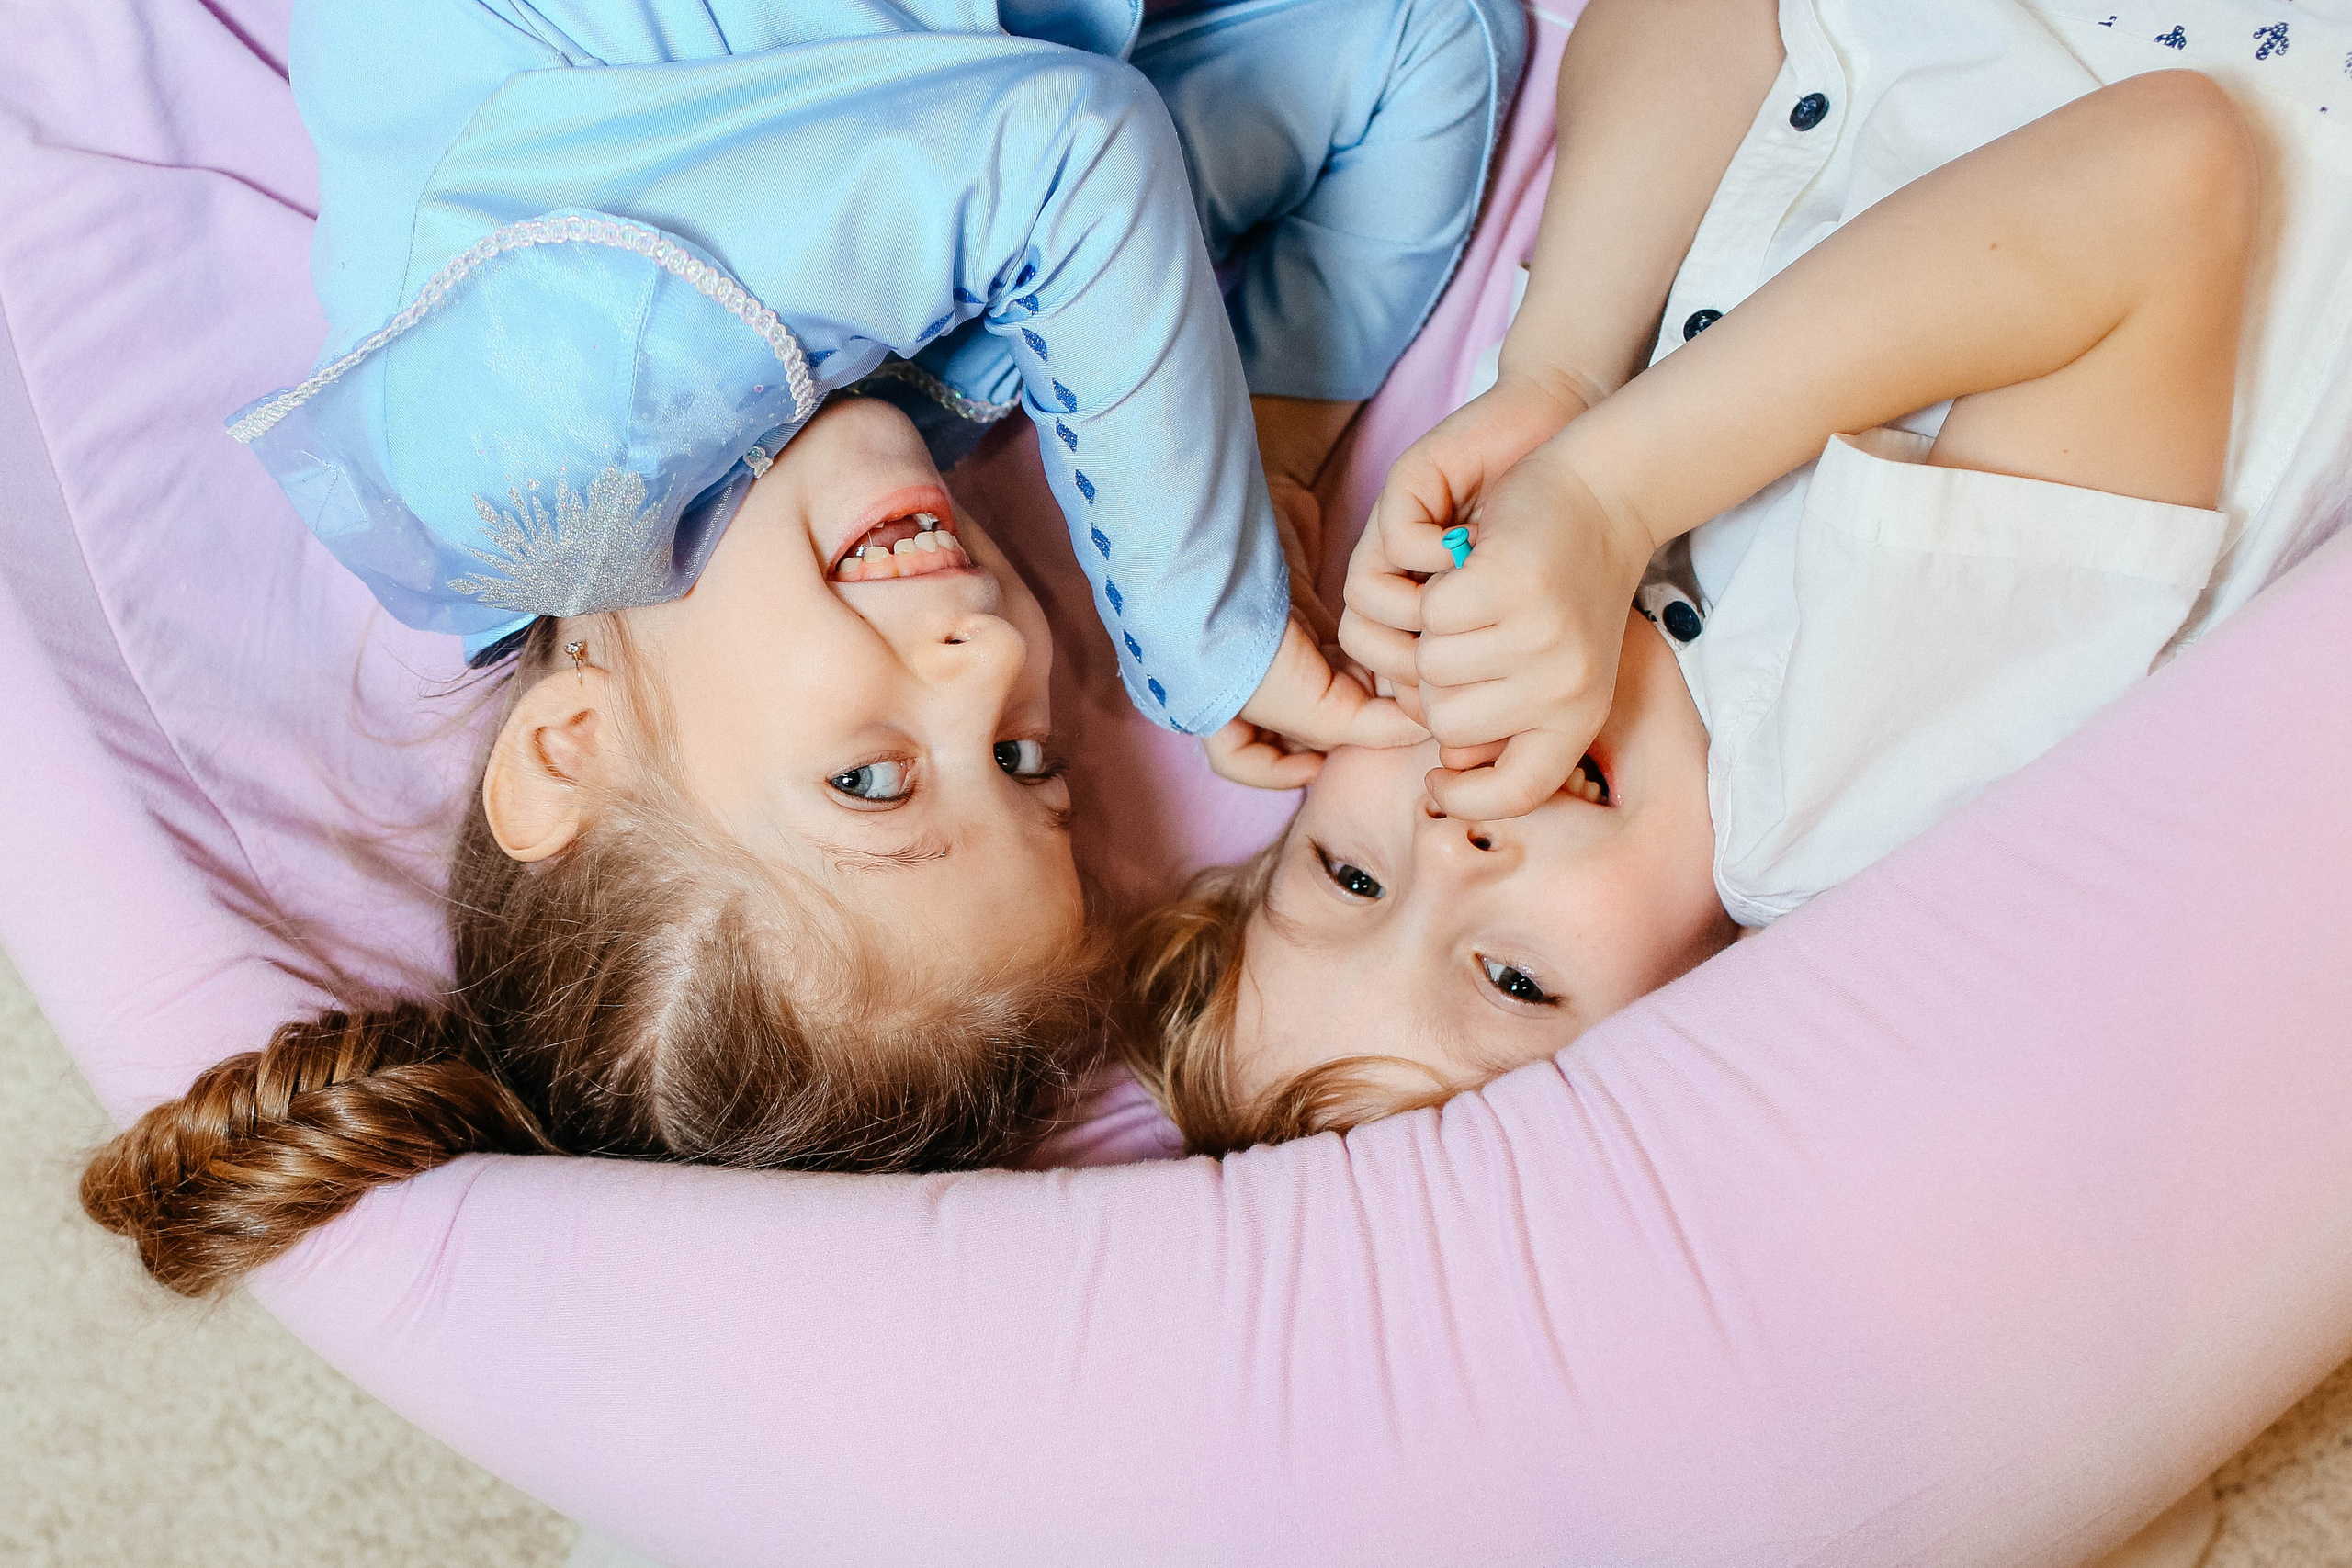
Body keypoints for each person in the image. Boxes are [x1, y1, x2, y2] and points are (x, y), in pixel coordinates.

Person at [78, 0, 1532, 1295]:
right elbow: (1419, 45)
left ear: (568, 750)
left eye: (874, 782)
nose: (983, 656)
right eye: (1025, 762)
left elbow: (1064, 148)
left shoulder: (520, 452)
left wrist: (1207, 622)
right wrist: (1267, 442)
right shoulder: (969, 364)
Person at [1125, 0, 2306, 1152]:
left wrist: (1559, 380)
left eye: (1348, 873)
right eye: (1514, 978)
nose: (1445, 843)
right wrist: (1609, 492)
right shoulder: (1837, 800)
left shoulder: (1510, 531)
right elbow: (2166, 172)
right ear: (1692, 1010)